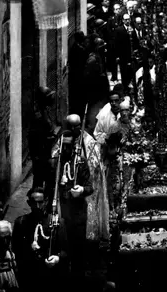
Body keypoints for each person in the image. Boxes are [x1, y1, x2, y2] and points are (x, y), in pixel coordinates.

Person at [50, 114, 109, 285]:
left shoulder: (88, 141)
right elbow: (55, 163)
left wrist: (83, 186)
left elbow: (94, 164)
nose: (75, 130)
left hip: (83, 193)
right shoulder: (62, 142)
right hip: (66, 197)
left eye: (77, 127)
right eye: (72, 127)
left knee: (83, 235)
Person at [12, 187, 67, 291]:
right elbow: (16, 250)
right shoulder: (21, 222)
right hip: (29, 274)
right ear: (28, 203)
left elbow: (66, 250)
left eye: (40, 202)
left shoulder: (57, 222)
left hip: (50, 274)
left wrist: (57, 258)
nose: (37, 206)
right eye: (34, 202)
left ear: (46, 202)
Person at [28, 87, 60, 199]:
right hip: (41, 155)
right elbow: (34, 138)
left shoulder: (45, 110)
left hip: (46, 153)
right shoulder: (38, 116)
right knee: (39, 183)